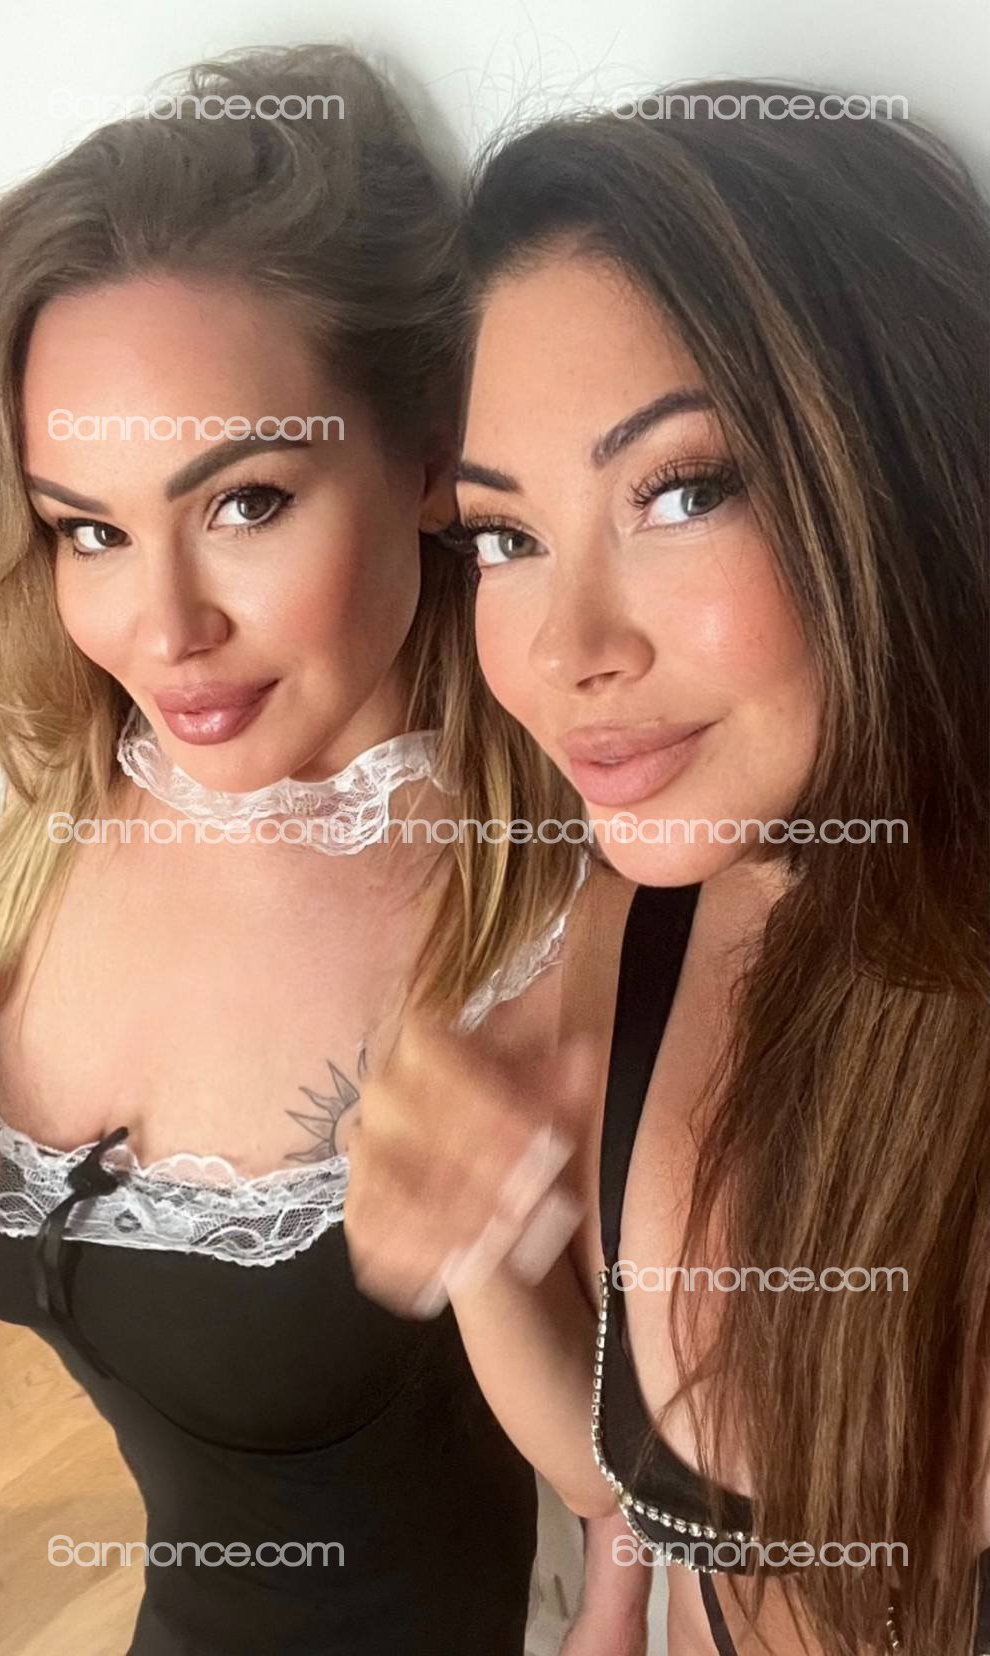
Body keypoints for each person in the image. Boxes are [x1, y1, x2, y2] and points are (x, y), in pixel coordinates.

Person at [0, 43, 644, 1655]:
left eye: (248, 503)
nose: (164, 627)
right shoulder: (12, 826)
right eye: (90, 529)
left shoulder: (553, 912)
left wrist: (489, 1246)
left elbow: (636, 1494)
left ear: (424, 459)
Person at [345, 81, 990, 1654]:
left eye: (683, 492)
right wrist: (479, 1246)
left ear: (904, 463)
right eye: (505, 538)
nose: (568, 652)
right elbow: (619, 1480)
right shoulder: (633, 932)